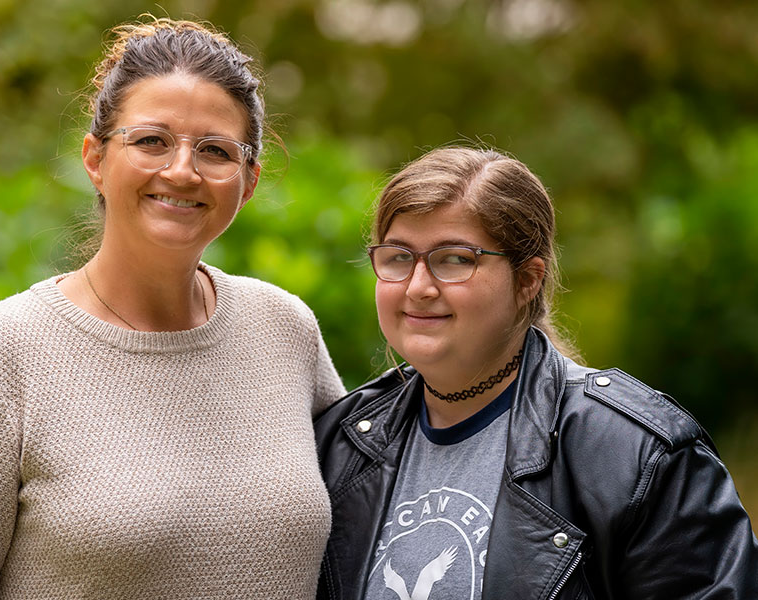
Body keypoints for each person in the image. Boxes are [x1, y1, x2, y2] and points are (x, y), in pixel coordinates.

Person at [0, 17, 345, 599]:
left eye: (215, 150)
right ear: (95, 159)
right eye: (152, 141)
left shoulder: (285, 330)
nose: (182, 170)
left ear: (249, 180)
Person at [315, 147, 758, 600]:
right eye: (398, 258)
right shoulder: (340, 445)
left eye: (454, 259)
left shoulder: (635, 455)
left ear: (527, 279)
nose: (418, 287)